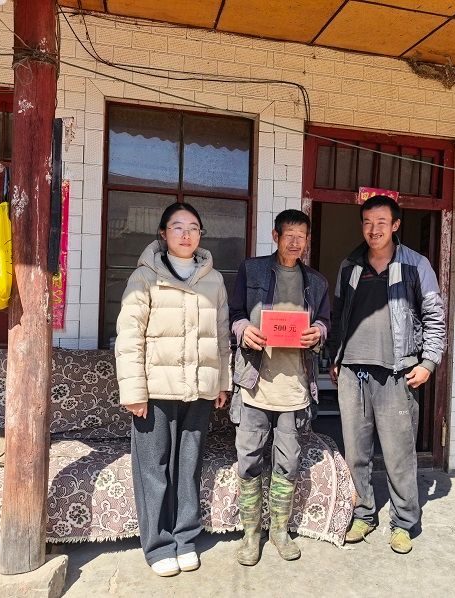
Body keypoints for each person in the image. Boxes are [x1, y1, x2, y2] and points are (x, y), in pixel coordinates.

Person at [115, 202, 231, 577]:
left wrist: (221, 382)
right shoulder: (145, 277)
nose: (186, 234)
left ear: (200, 235)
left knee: (189, 466)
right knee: (154, 468)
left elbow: (222, 335)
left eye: (193, 227)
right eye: (177, 227)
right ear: (163, 234)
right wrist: (134, 391)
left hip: (199, 390)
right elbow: (129, 336)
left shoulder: (214, 279)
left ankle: (185, 539)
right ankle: (159, 545)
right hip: (156, 391)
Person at [329, 195, 446, 554]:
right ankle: (363, 514)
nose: (373, 229)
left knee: (398, 454)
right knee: (356, 452)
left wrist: (428, 363)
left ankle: (404, 522)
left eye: (381, 222)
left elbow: (435, 316)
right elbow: (337, 315)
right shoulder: (349, 265)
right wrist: (335, 357)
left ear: (395, 225)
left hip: (398, 373)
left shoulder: (415, 265)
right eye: (367, 222)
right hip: (353, 371)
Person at [229, 209, 330, 566]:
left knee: (288, 462)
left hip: (294, 388)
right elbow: (234, 314)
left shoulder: (316, 282)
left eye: (301, 236)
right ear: (275, 236)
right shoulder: (252, 270)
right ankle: (250, 534)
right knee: (249, 460)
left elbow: (325, 322)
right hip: (255, 385)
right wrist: (244, 329)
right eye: (289, 235)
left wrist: (319, 332)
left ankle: (280, 531)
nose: (295, 242)